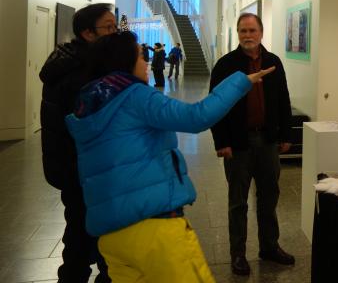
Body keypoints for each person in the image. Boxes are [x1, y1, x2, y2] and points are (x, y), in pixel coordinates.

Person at [64, 31, 274, 282]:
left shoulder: (89, 103)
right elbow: (196, 117)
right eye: (141, 57)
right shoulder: (134, 96)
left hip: (112, 235)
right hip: (153, 229)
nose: (147, 63)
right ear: (125, 61)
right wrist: (241, 82)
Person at [209, 13, 295, 276]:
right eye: (243, 31)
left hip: (267, 140)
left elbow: (283, 99)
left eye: (252, 30)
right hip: (238, 143)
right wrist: (221, 142)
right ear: (237, 33)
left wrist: (286, 135)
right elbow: (215, 105)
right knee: (238, 201)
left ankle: (269, 246)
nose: (247, 35)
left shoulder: (273, 62)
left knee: (269, 197)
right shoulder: (226, 65)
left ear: (261, 32)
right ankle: (238, 254)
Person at [39, 2, 116, 283]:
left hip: (76, 169)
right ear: (88, 33)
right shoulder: (80, 73)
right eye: (109, 27)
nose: (115, 32)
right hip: (83, 171)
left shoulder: (71, 64)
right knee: (87, 237)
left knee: (79, 235)